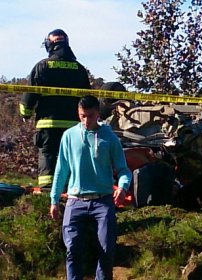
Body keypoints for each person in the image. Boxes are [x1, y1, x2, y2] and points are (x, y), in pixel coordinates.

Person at [49, 95, 132, 280]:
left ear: (98, 114)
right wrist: (54, 200)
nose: (86, 120)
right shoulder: (69, 136)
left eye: (91, 115)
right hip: (75, 201)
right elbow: (61, 170)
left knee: (106, 249)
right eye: (82, 116)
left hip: (102, 201)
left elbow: (124, 170)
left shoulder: (109, 138)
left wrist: (123, 187)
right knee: (72, 249)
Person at [19, 29, 91, 191]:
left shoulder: (42, 66)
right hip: (75, 125)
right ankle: (74, 189)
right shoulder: (79, 69)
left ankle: (47, 192)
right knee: (73, 156)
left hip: (48, 123)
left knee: (48, 155)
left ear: (49, 45)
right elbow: (88, 98)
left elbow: (30, 95)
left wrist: (26, 113)